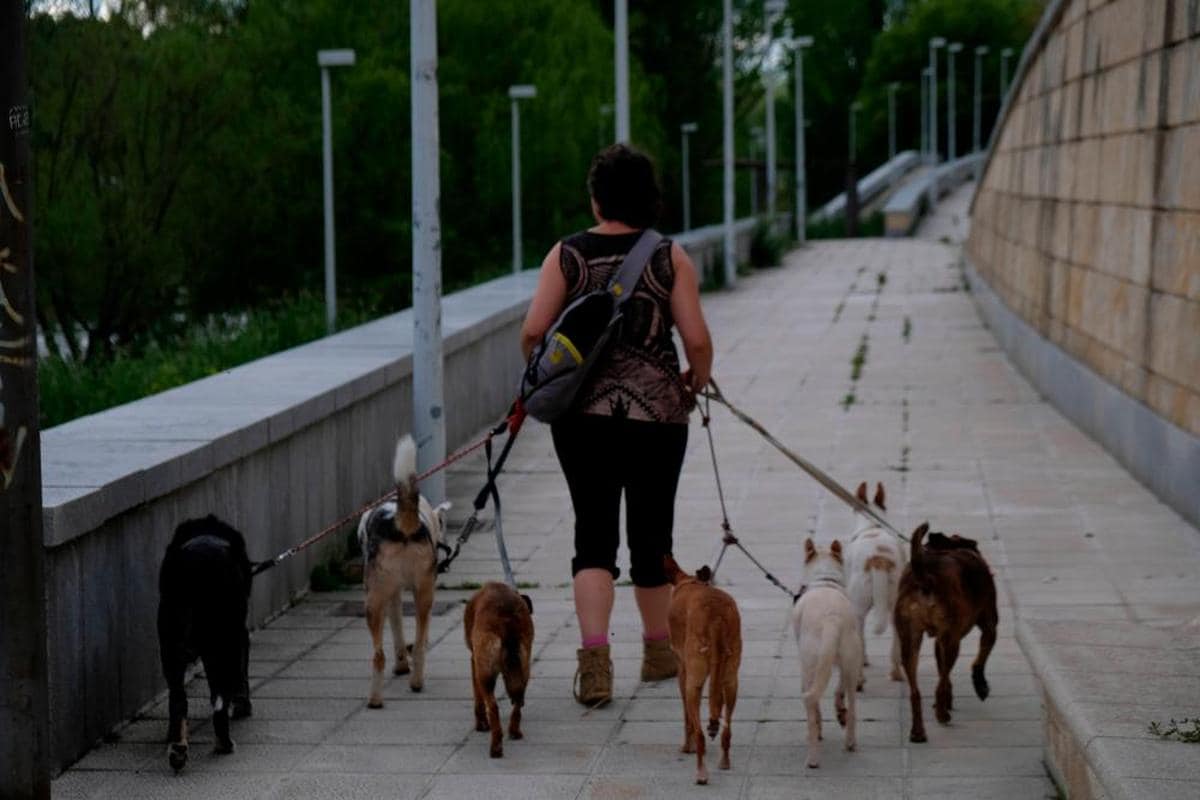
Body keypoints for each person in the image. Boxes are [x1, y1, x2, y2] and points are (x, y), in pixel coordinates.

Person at [520, 144, 713, 705]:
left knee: (593, 536)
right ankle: (658, 653)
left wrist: (548, 375)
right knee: (653, 538)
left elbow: (534, 331)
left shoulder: (567, 256)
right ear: (648, 197)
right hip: (658, 417)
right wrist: (694, 380)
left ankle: (596, 662)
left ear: (596, 197)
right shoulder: (670, 258)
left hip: (583, 420)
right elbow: (696, 339)